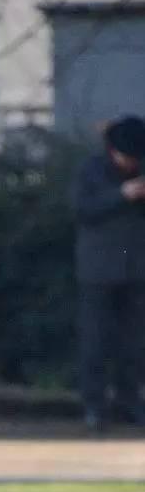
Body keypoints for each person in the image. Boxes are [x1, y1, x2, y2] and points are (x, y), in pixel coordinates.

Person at [74, 115, 145, 434]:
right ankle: (95, 406)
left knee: (134, 342)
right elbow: (82, 208)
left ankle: (130, 403)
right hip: (99, 270)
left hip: (137, 269)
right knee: (96, 341)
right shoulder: (91, 170)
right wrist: (122, 195)